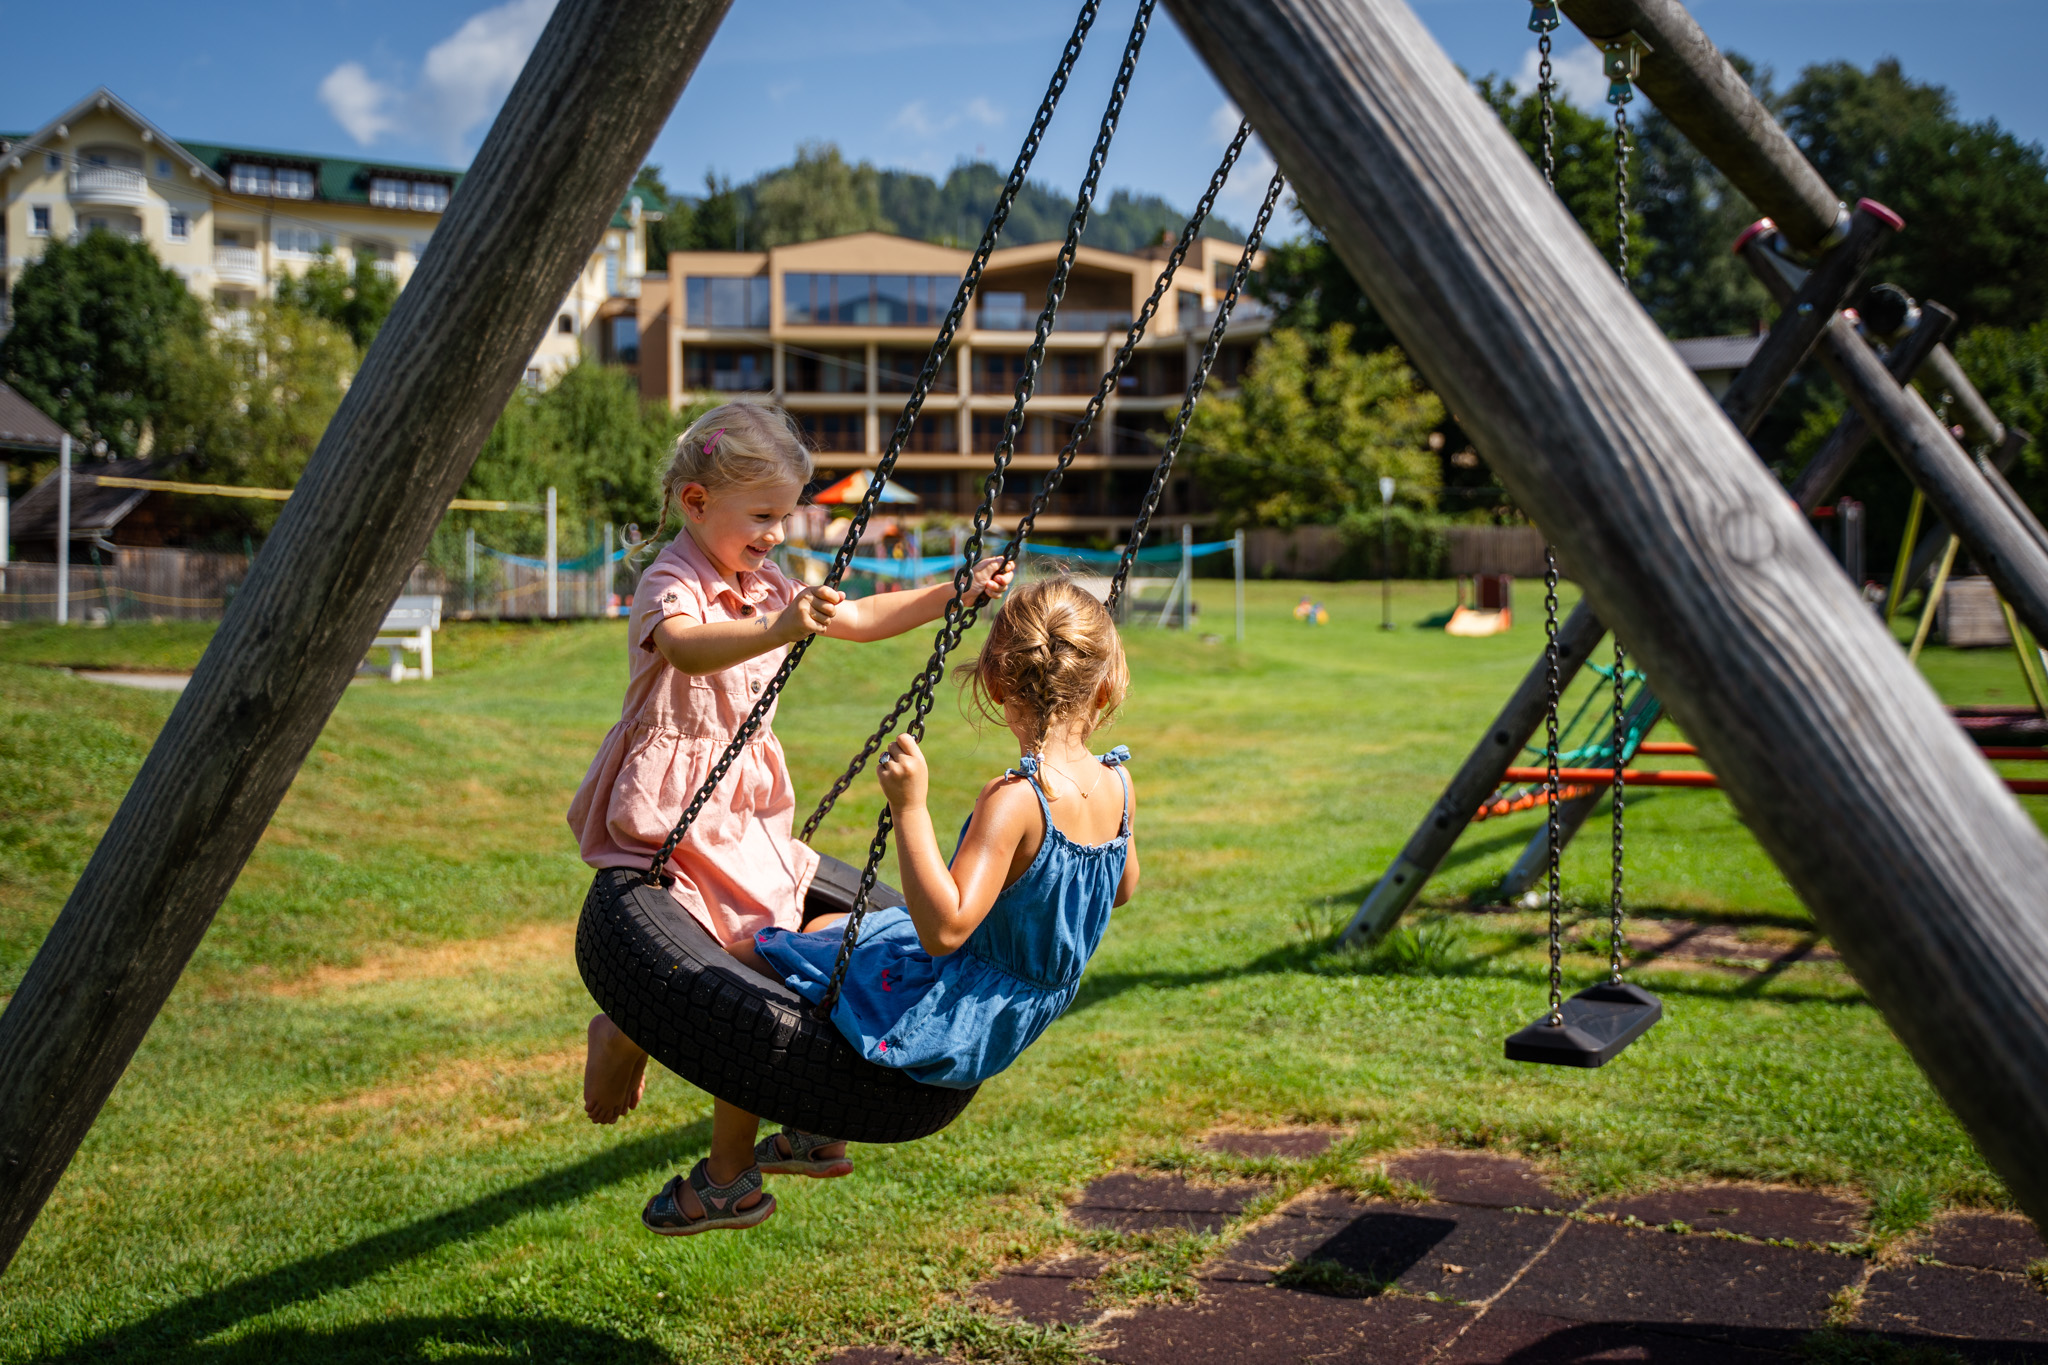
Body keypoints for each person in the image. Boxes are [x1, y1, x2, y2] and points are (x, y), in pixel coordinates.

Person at [569, 400, 1012, 1233]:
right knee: (736, 981)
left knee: (767, 962)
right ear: (696, 502)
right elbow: (688, 648)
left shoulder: (767, 577)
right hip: (677, 811)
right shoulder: (671, 579)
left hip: (751, 812)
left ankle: (802, 1119)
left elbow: (861, 614)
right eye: (763, 516)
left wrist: (955, 590)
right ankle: (714, 1152)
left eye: (787, 517)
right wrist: (775, 624)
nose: (776, 535)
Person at [640, 578, 1139, 1234]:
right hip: (1012, 1009)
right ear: (1104, 688)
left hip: (948, 1005)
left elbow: (945, 928)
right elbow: (1121, 884)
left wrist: (910, 809)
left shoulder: (1016, 799)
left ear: (994, 684)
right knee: (824, 928)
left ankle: (728, 1177)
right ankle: (818, 1132)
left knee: (748, 964)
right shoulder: (1118, 783)